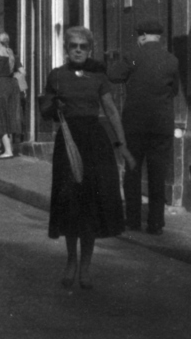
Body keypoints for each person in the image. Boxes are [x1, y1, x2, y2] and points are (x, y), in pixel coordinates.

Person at [40, 26, 128, 289]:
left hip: (94, 143)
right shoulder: (56, 76)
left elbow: (111, 110)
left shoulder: (98, 76)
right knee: (70, 204)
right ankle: (70, 262)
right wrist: (53, 106)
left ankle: (86, 268)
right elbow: (45, 109)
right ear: (66, 49)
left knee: (89, 206)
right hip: (67, 142)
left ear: (90, 49)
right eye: (73, 45)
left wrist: (122, 144)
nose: (78, 49)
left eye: (83, 46)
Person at [107, 18, 180, 234]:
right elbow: (174, 90)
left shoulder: (133, 56)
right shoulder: (171, 60)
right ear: (159, 36)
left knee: (132, 172)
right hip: (161, 126)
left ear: (142, 36)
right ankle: (156, 223)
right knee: (158, 174)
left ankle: (133, 219)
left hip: (135, 125)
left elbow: (113, 75)